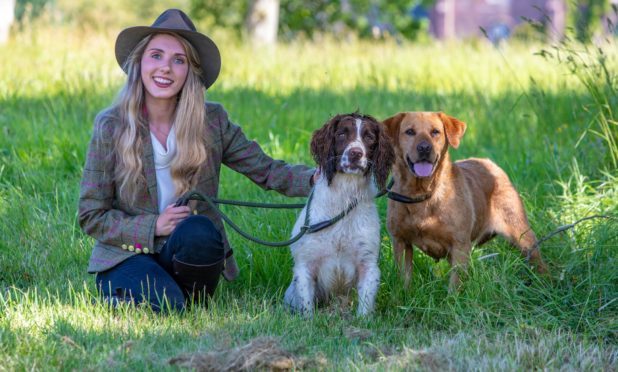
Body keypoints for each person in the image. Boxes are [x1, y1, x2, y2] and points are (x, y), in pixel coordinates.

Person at [78, 9, 315, 312]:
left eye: (179, 60)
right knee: (169, 305)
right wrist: (154, 226)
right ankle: (134, 293)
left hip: (186, 251)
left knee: (200, 231)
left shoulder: (211, 121)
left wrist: (315, 180)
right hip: (129, 253)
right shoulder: (110, 126)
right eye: (156, 55)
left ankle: (176, 296)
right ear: (139, 62)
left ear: (191, 71)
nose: (166, 68)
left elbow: (267, 170)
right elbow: (90, 214)